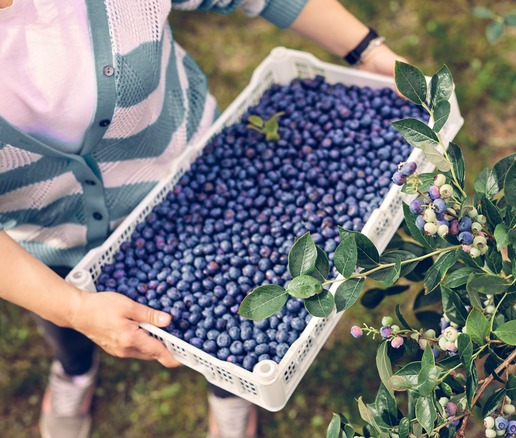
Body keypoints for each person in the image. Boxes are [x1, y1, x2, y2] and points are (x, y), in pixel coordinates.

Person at [0, 1, 406, 437]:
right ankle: (75, 371)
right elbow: (66, 302)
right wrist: (73, 308)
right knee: (66, 325)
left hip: (207, 189)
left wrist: (366, 50)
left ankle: (231, 390)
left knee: (233, 331)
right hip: (47, 245)